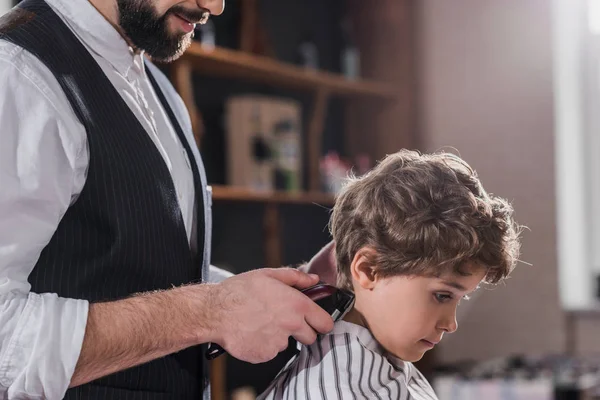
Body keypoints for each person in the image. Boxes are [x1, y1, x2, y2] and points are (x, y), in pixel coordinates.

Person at [0, 0, 336, 399]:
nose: (214, 5)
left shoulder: (157, 86)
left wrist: (290, 289)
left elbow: (141, 268)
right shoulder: (16, 75)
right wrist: (210, 312)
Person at [258, 149, 522, 400]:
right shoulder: (351, 389)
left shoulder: (366, 364)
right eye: (442, 295)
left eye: (459, 298)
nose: (450, 324)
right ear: (368, 270)